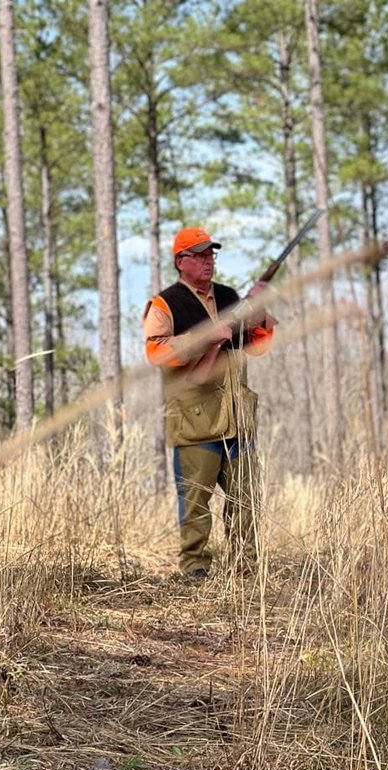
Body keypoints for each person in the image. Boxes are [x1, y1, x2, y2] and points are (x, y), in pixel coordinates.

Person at [143, 226, 277, 582]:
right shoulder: (165, 304)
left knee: (247, 501)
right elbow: (157, 354)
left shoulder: (229, 296)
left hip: (237, 418)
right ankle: (194, 571)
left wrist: (260, 306)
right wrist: (205, 338)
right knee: (196, 504)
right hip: (195, 421)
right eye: (199, 255)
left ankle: (246, 570)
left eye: (210, 254)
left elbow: (260, 342)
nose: (208, 261)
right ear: (180, 262)